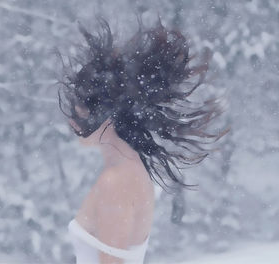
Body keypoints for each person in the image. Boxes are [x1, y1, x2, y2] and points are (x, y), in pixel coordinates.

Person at [57, 14, 229, 264]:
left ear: (106, 116)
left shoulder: (116, 181)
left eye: (78, 111)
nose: (71, 122)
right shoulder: (128, 172)